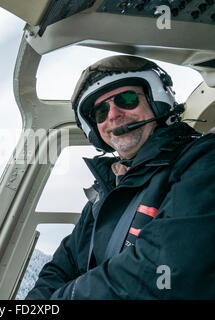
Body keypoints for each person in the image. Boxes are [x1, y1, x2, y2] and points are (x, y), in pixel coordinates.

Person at [25, 54, 215, 299]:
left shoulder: (203, 160)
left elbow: (165, 271)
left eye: (126, 100)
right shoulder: (104, 192)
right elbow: (63, 266)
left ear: (157, 101)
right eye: (101, 112)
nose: (113, 115)